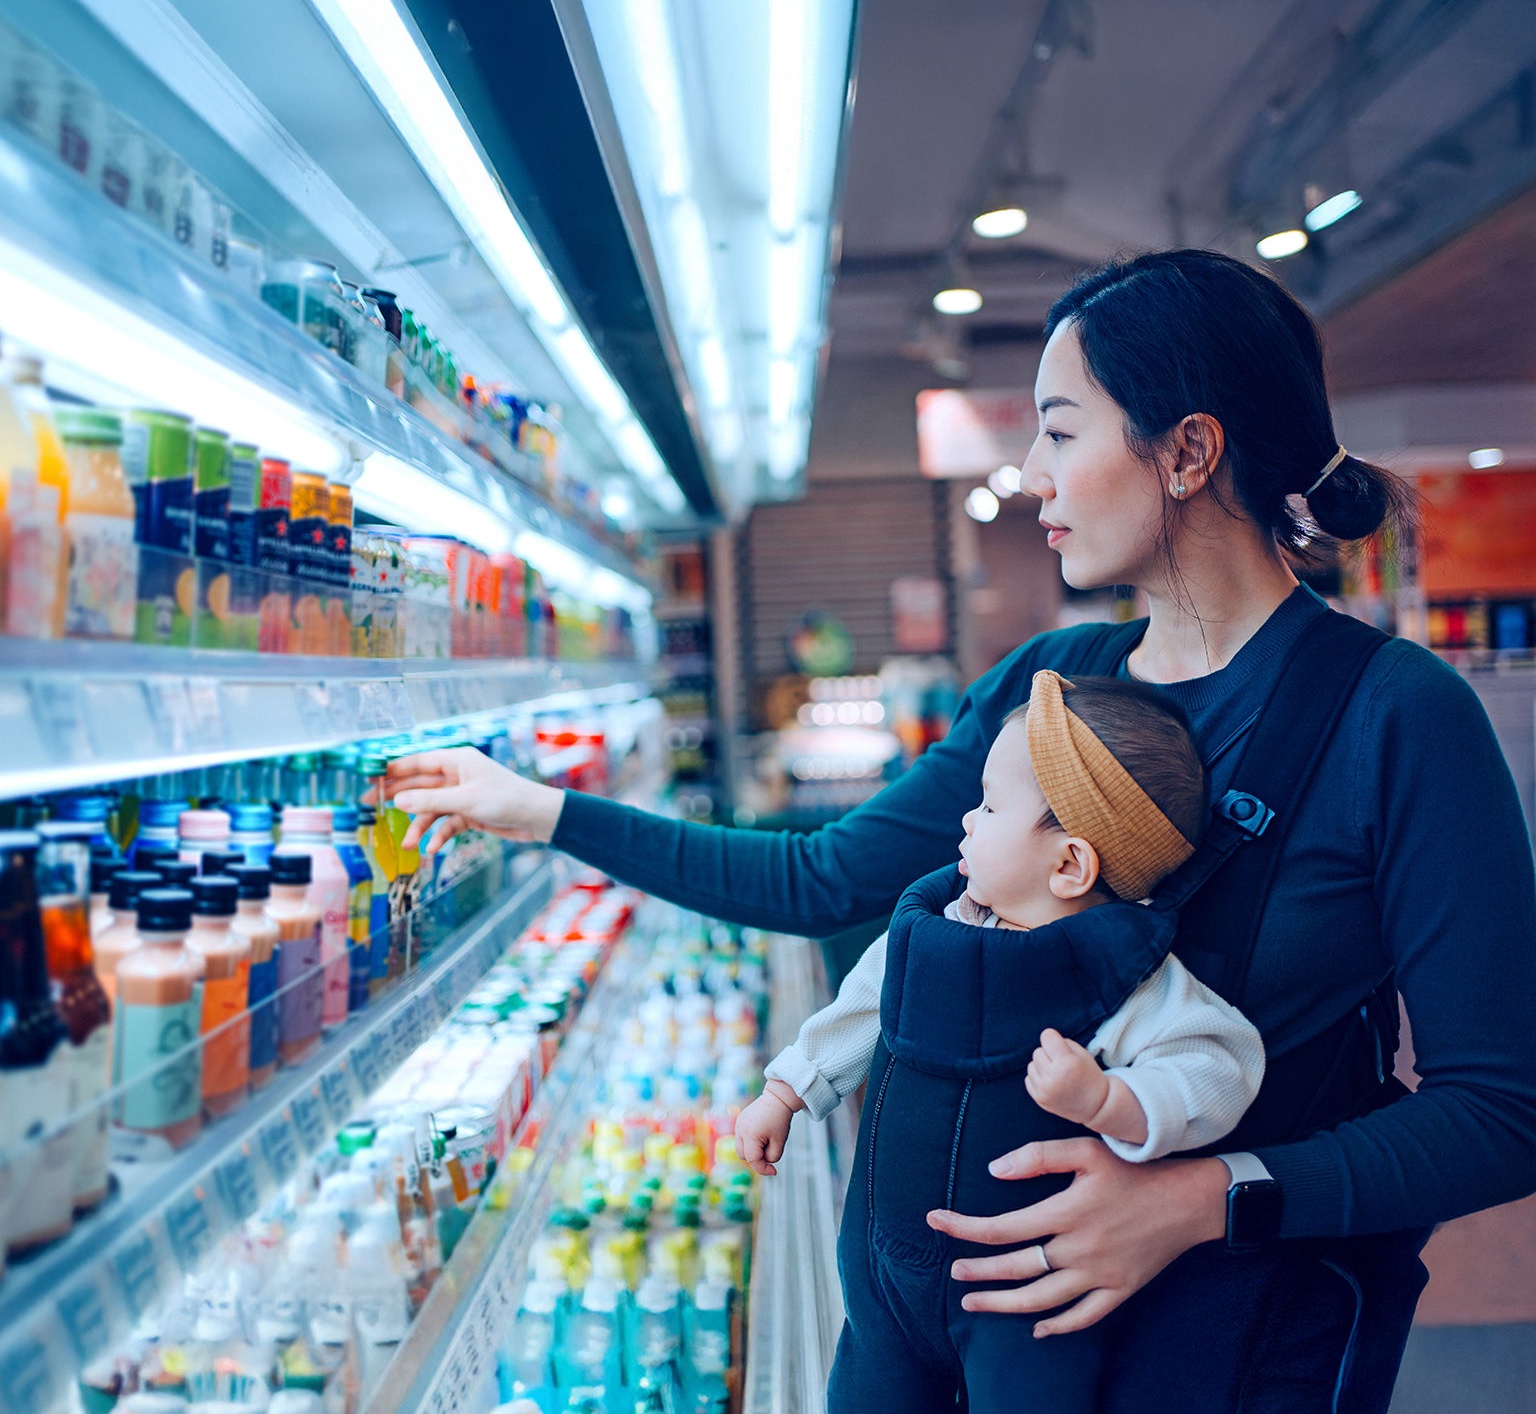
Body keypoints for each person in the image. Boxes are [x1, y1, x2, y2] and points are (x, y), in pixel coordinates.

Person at [378, 250, 1536, 1412]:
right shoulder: (1049, 683)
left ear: (1187, 451)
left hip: (1231, 1347)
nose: (1030, 475)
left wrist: (1199, 1199)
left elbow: (1502, 1111)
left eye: (1062, 432)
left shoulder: (1394, 715)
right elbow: (827, 878)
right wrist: (540, 811)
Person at [733, 670, 1265, 1412]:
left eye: (989, 804)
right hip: (884, 1280)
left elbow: (1220, 1062)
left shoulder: (1119, 975)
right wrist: (787, 1090)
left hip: (1023, 1296)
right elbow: (862, 1006)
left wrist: (1114, 1100)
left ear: (1070, 864)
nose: (967, 821)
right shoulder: (933, 929)